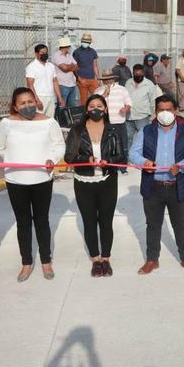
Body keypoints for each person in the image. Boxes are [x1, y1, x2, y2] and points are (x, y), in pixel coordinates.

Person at [0, 87, 65, 282]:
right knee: (23, 223)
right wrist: (14, 158)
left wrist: (52, 159)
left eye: (30, 101)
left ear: (36, 101)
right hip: (16, 180)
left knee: (42, 221)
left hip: (42, 178)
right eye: (22, 103)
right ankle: (26, 263)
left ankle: (46, 261)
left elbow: (59, 145)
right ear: (15, 107)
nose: (27, 106)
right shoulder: (6, 124)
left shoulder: (49, 122)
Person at [129, 95, 184, 275]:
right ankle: (152, 259)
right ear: (155, 112)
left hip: (178, 185)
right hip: (153, 186)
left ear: (175, 111)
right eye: (161, 110)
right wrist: (144, 162)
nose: (165, 113)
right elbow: (133, 153)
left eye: (168, 110)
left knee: (180, 224)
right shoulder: (146, 131)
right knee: (153, 225)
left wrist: (182, 166)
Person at [63, 94, 125, 277]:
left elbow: (121, 156)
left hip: (107, 181)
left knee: (106, 222)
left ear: (105, 109)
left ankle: (106, 258)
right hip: (84, 182)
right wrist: (86, 159)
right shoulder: (76, 130)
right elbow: (69, 157)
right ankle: (95, 259)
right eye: (91, 106)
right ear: (86, 109)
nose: (95, 109)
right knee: (89, 222)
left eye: (99, 105)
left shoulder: (113, 130)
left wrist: (109, 161)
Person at [95, 70, 132, 174]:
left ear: (113, 79)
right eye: (106, 79)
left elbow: (128, 102)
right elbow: (95, 103)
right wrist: (104, 95)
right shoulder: (98, 91)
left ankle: (123, 168)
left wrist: (125, 108)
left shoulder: (122, 89)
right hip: (105, 122)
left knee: (123, 145)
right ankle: (110, 167)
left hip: (119, 121)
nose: (108, 81)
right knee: (107, 146)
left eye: (110, 78)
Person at [125, 64, 158, 154]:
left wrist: (152, 114)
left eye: (140, 74)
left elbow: (153, 100)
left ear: (143, 73)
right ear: (133, 73)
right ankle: (129, 158)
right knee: (128, 138)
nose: (138, 76)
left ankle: (144, 156)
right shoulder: (128, 82)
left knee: (143, 137)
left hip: (142, 117)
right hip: (129, 117)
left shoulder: (149, 84)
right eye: (136, 74)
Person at [25, 43, 64, 118]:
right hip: (40, 97)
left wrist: (60, 97)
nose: (45, 55)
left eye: (46, 53)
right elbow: (30, 85)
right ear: (36, 54)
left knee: (50, 120)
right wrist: (37, 100)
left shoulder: (50, 66)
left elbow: (55, 81)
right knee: (38, 120)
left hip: (51, 97)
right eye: (42, 53)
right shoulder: (31, 67)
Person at [50, 37, 79, 109]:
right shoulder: (56, 55)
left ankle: (69, 120)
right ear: (66, 47)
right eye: (68, 46)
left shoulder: (69, 56)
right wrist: (71, 66)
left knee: (72, 107)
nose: (69, 48)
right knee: (62, 107)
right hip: (62, 85)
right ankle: (61, 120)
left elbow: (77, 67)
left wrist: (69, 66)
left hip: (72, 84)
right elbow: (64, 69)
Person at [73, 33, 100, 105]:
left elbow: (95, 66)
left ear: (90, 42)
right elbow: (74, 67)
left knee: (97, 97)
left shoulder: (93, 51)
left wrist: (98, 78)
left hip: (92, 79)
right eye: (84, 41)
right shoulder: (76, 52)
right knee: (84, 100)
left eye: (87, 42)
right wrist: (79, 79)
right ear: (81, 41)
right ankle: (84, 115)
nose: (85, 43)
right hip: (82, 79)